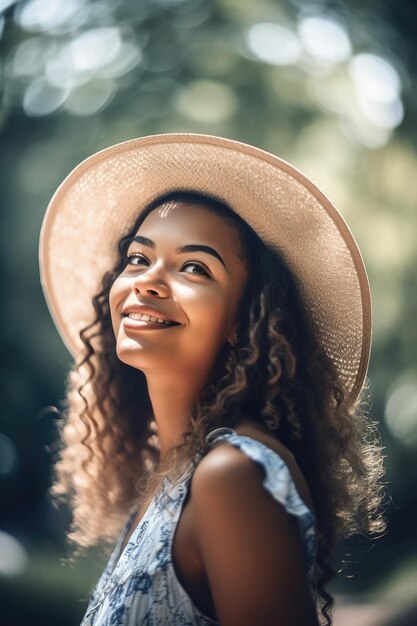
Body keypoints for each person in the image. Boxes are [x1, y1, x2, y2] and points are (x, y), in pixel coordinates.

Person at [39, 133, 386, 626]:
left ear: (243, 319)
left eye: (194, 267)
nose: (147, 279)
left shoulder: (231, 476)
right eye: (138, 258)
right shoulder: (171, 473)